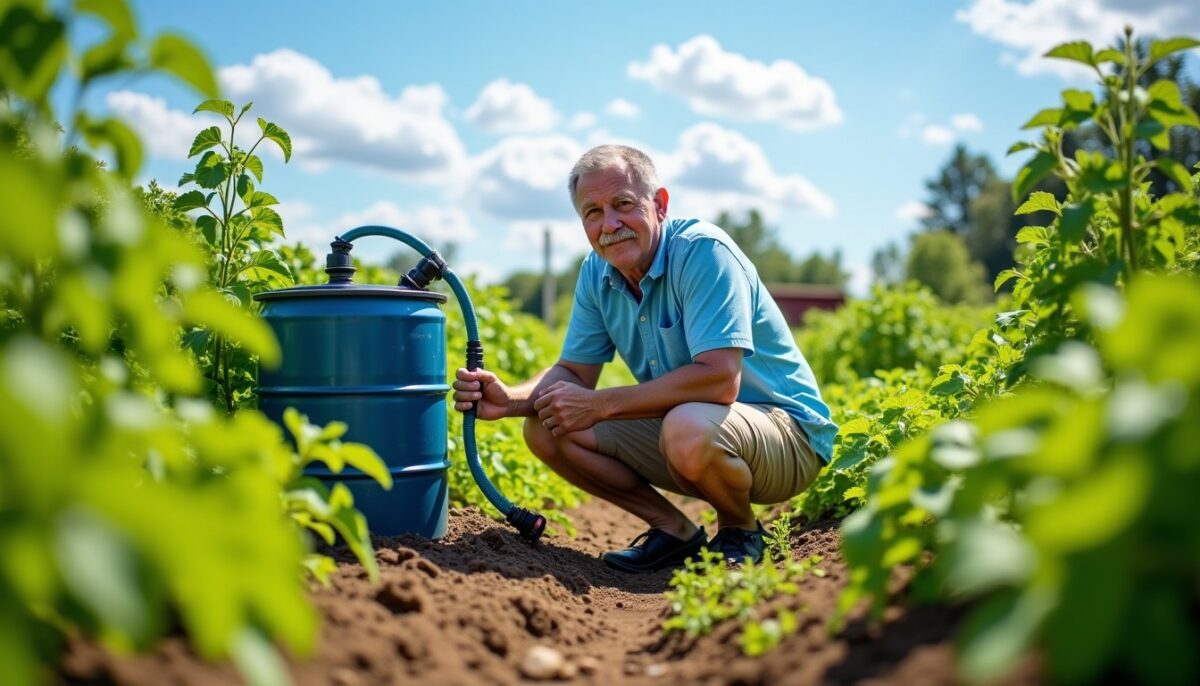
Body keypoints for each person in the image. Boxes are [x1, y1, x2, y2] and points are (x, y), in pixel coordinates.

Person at [452, 144, 837, 571]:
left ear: (660, 204)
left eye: (623, 205)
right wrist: (511, 400)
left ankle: (739, 530)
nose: (610, 224)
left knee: (686, 425)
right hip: (698, 429)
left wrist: (600, 405)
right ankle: (674, 532)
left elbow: (718, 380)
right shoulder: (596, 274)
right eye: (592, 213)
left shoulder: (703, 253)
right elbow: (575, 372)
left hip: (786, 436)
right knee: (546, 425)